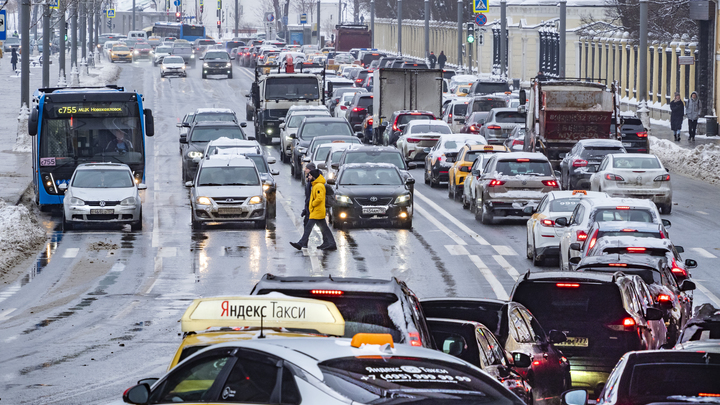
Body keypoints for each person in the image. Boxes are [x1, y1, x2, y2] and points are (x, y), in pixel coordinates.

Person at [291, 169, 337, 251]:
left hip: (317, 211)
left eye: (310, 175)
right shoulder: (316, 185)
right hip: (317, 211)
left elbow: (319, 198)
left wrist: (312, 204)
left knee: (308, 228)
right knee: (324, 228)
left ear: (314, 177)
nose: (308, 177)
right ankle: (331, 243)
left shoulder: (319, 186)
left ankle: (301, 243)